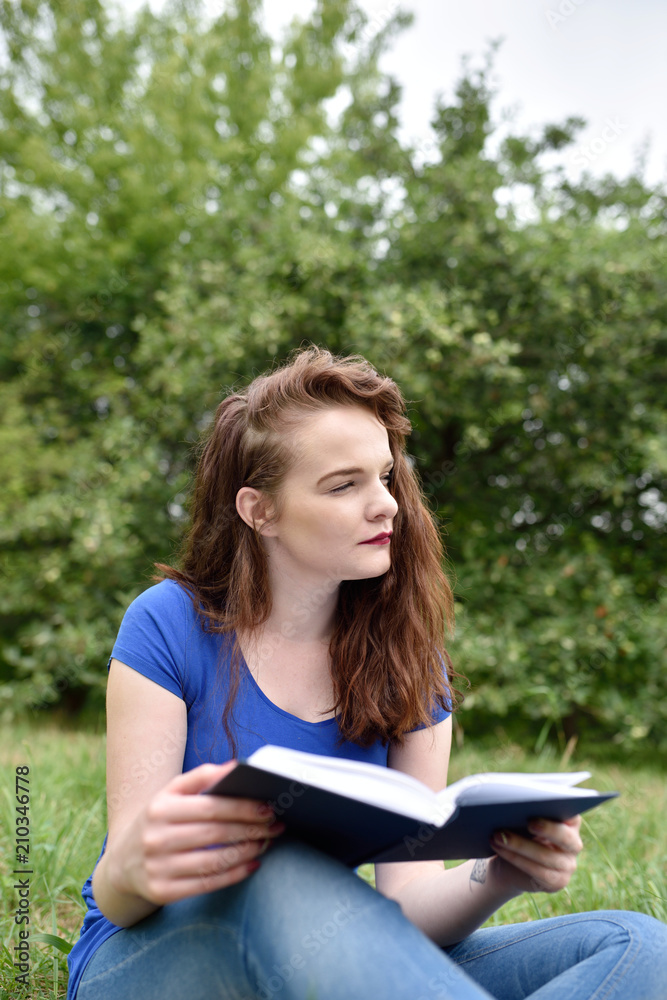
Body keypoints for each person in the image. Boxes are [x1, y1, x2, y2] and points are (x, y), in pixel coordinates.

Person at [67, 346, 667, 1000]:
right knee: (279, 875)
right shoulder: (166, 624)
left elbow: (406, 903)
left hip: (326, 957)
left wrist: (498, 873)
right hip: (149, 959)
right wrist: (138, 864)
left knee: (637, 946)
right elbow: (119, 893)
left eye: (385, 476)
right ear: (259, 511)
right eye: (343, 485)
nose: (386, 505)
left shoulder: (407, 654)